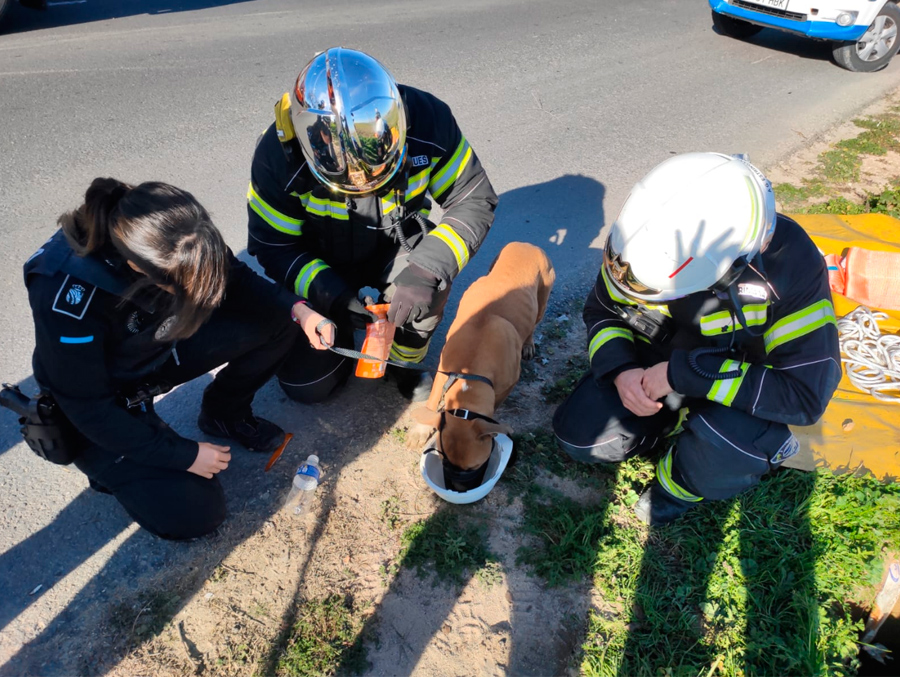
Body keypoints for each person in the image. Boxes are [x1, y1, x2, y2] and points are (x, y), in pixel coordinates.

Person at [24, 178, 332, 540]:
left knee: (278, 319)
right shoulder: (66, 295)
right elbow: (88, 407)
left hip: (155, 350)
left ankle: (223, 413)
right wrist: (183, 455)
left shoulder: (176, 231)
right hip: (99, 400)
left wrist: (298, 309)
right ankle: (111, 469)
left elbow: (236, 278)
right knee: (196, 514)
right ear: (142, 271)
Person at [553, 153, 842, 525]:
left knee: (734, 445)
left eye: (654, 290)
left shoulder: (790, 267)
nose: (638, 291)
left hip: (734, 387)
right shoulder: (638, 246)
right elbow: (603, 311)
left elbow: (804, 396)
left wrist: (681, 375)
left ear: (727, 273)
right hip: (655, 366)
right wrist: (622, 370)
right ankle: (665, 423)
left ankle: (679, 484)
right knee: (579, 435)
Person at [247, 47, 498, 403]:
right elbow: (273, 245)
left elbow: (473, 199)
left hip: (395, 248)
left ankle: (403, 364)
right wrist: (332, 295)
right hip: (319, 264)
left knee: (427, 291)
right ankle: (346, 332)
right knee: (308, 386)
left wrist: (425, 271)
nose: (361, 183)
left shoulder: (429, 120)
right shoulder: (277, 155)